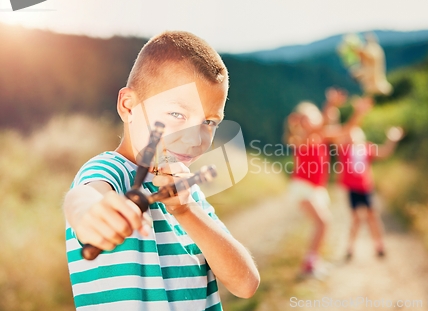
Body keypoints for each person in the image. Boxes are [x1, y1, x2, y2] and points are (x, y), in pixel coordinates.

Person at [63, 31, 260, 311]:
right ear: (128, 107)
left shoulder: (190, 196)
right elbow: (84, 195)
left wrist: (186, 210)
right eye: (177, 115)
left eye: (209, 122)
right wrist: (88, 214)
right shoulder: (112, 171)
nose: (196, 139)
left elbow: (245, 284)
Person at [284, 89, 371, 277]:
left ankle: (313, 261)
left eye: (312, 117)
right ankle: (310, 263)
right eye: (306, 118)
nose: (311, 121)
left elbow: (347, 130)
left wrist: (359, 112)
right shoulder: (301, 139)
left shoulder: (321, 136)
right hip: (303, 188)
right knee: (324, 222)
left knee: (323, 225)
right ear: (299, 122)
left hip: (316, 189)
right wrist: (330, 104)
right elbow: (321, 125)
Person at [337, 125, 404, 259]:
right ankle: (350, 247)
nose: (351, 137)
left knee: (372, 216)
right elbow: (337, 136)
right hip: (352, 188)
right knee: (356, 219)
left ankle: (379, 245)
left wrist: (392, 140)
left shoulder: (366, 148)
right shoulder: (344, 150)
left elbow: (384, 152)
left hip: (365, 187)